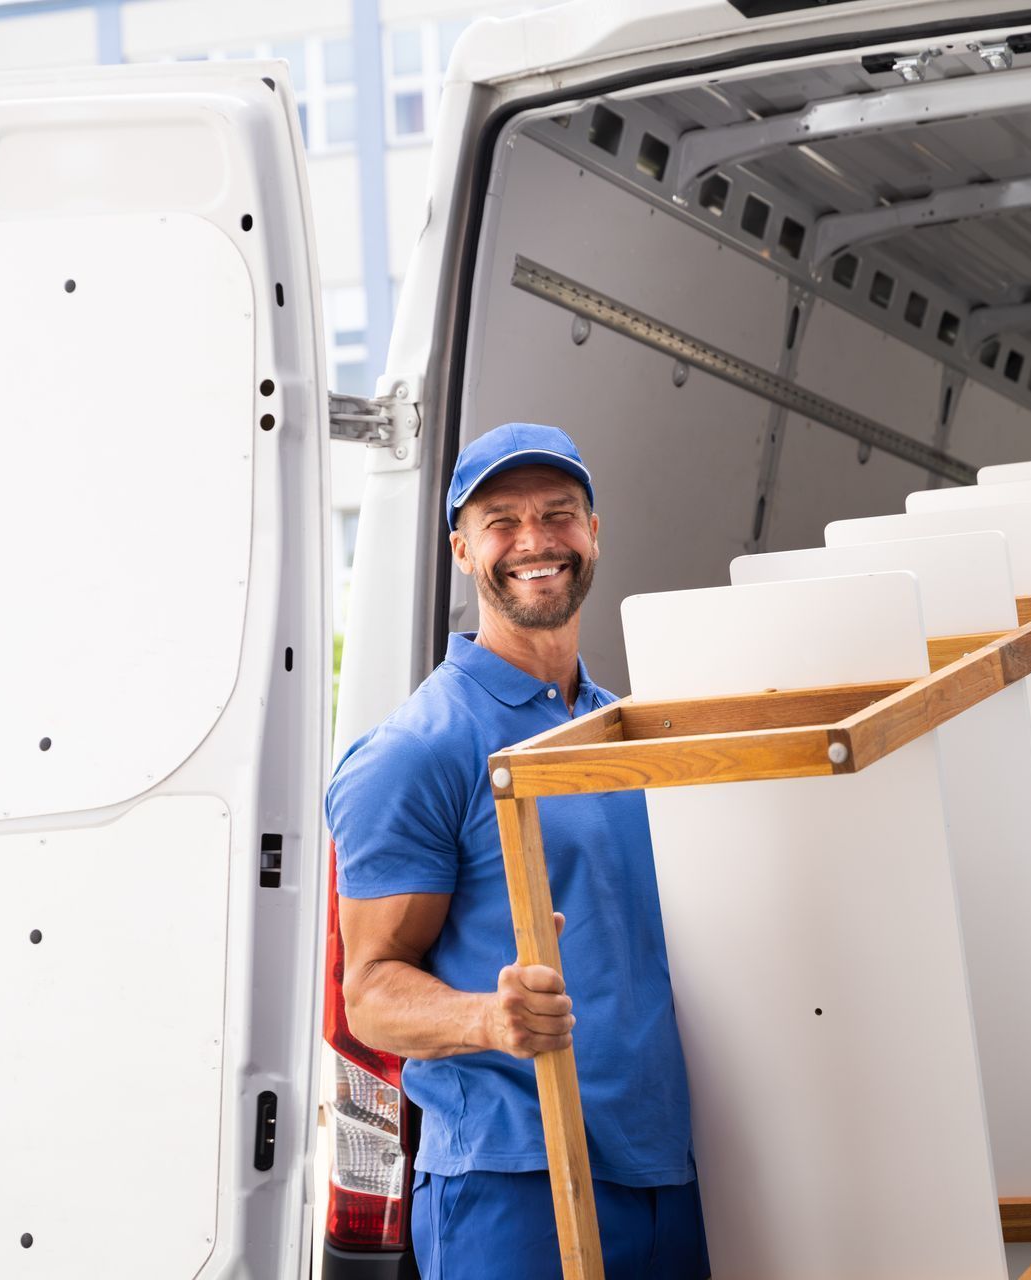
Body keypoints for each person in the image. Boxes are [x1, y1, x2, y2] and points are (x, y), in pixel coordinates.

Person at [326, 422, 707, 1279]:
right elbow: (370, 994)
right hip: (516, 1188)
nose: (534, 541)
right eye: (502, 521)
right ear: (464, 549)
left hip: (673, 1176)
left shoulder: (626, 732)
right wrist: (488, 1019)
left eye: (558, 514)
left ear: (595, 533)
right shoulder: (419, 750)